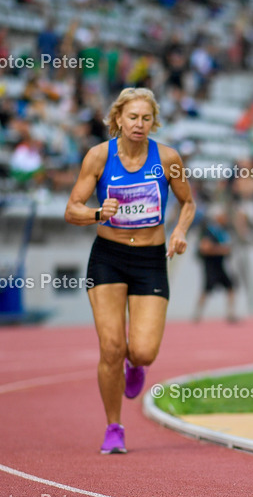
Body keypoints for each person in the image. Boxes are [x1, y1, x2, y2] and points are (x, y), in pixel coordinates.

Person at [65, 87, 195, 454]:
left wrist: (180, 231)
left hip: (151, 259)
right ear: (118, 119)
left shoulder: (167, 158)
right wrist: (96, 214)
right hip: (108, 256)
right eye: (133, 117)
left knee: (142, 351)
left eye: (146, 118)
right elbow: (71, 208)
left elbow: (188, 203)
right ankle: (114, 426)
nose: (139, 124)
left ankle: (136, 366)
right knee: (111, 347)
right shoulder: (98, 156)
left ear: (154, 122)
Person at [193, 205, 240, 323]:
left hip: (220, 265)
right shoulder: (210, 231)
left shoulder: (221, 230)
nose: (225, 218)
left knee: (230, 286)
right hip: (211, 265)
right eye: (223, 216)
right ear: (217, 217)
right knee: (206, 289)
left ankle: (231, 313)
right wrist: (221, 250)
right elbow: (205, 248)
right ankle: (197, 314)